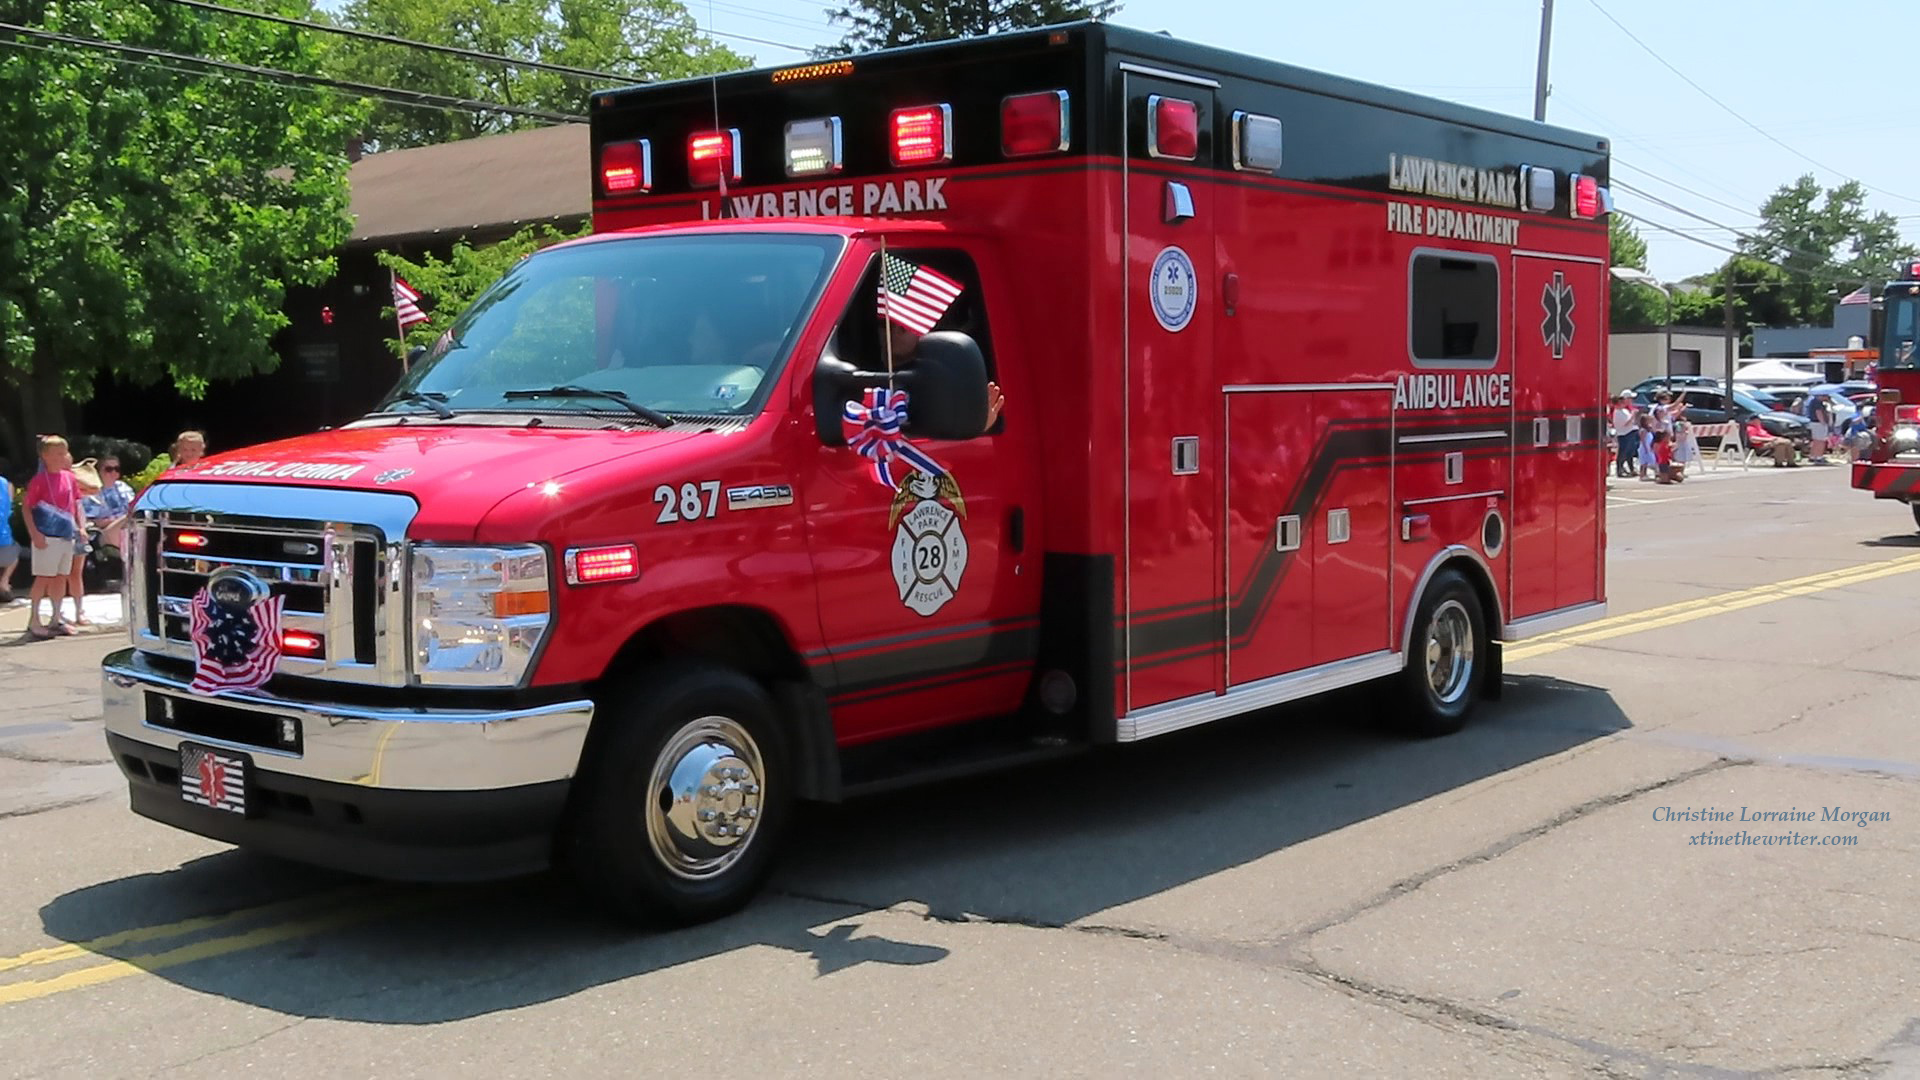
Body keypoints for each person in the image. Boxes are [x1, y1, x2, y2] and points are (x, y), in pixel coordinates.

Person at [887, 322, 1006, 431]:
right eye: (884, 324)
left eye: (903, 326)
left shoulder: (940, 380)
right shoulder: (880, 386)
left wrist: (977, 426)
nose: (894, 331)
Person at [21, 435, 81, 639]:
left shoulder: (70, 478)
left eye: (63, 453)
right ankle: (34, 619)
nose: (60, 457)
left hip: (66, 535)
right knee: (44, 577)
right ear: (45, 456)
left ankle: (56, 617)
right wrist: (35, 534)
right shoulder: (39, 480)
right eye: (56, 454)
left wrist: (80, 528)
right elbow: (27, 508)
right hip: (47, 537)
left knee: (61, 577)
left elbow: (75, 504)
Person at [81, 454, 135, 555]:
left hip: (127, 527)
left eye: (116, 469)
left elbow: (133, 508)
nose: (114, 473)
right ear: (99, 472)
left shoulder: (124, 487)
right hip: (102, 533)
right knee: (128, 517)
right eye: (109, 469)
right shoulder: (91, 492)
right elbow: (89, 522)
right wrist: (116, 521)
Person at [1609, 392, 1638, 478]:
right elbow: (1625, 423)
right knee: (1622, 453)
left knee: (1630, 453)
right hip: (1624, 434)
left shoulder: (1624, 410)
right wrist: (1633, 415)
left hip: (1630, 432)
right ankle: (1619, 470)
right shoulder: (1617, 412)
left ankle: (1631, 469)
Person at [0, 464, 17, 606]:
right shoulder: (6, 484)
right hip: (4, 536)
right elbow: (9, 507)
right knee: (14, 554)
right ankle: (4, 582)